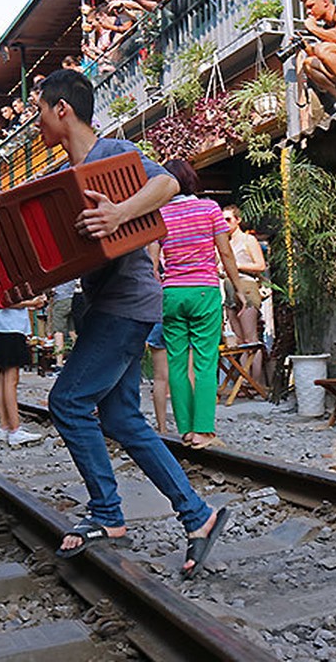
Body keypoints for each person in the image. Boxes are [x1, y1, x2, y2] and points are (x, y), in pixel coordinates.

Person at [35, 69, 229, 576]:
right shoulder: (66, 177)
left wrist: (120, 213)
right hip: (108, 305)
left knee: (68, 402)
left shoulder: (110, 153)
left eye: (39, 111)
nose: (36, 123)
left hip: (127, 304)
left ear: (63, 110)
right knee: (121, 419)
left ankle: (107, 513)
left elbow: (164, 181)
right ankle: (198, 515)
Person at [158, 162, 246, 449]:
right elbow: (226, 252)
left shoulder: (159, 213)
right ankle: (204, 430)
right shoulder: (209, 209)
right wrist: (239, 289)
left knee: (177, 363)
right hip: (204, 292)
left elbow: (151, 259)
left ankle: (186, 430)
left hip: (171, 293)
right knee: (206, 362)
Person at [0, 298, 46, 446]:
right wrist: (31, 303)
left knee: (2, 376)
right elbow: (5, 300)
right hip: (10, 328)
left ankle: (4, 426)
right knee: (11, 380)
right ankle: (15, 430)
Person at [222, 204, 267, 385]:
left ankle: (255, 382)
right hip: (228, 287)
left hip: (246, 286)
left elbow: (260, 266)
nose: (225, 224)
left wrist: (235, 266)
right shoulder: (224, 242)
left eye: (228, 219)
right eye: (222, 220)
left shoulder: (248, 240)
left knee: (250, 339)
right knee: (238, 340)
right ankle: (245, 380)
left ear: (238, 220)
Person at [49, 279, 78, 366]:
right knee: (71, 330)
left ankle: (59, 363)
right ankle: (79, 356)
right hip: (72, 299)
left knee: (58, 331)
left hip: (61, 300)